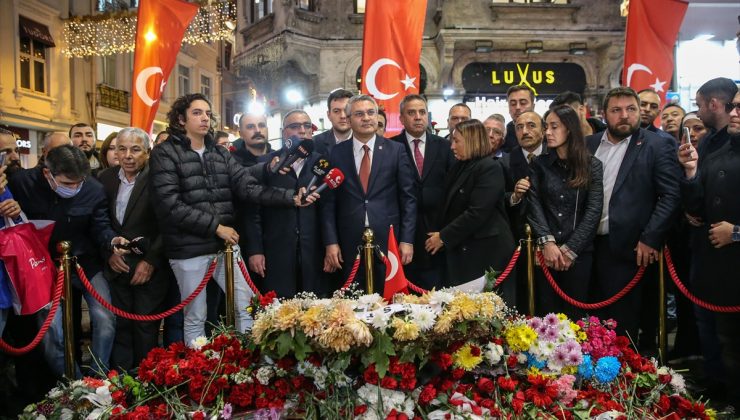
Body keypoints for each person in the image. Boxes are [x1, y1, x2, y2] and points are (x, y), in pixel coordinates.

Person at [149, 93, 314, 345]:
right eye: (197, 113)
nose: (204, 118)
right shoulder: (164, 153)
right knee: (196, 315)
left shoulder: (219, 152)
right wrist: (216, 227)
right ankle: (200, 373)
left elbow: (248, 187)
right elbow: (169, 205)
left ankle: (246, 362)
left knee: (246, 304)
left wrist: (290, 197)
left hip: (224, 246)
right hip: (189, 247)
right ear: (181, 119)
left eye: (207, 113)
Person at [11, 145, 129, 375]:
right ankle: (72, 385)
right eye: (66, 184)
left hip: (85, 262)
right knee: (51, 330)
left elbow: (100, 226)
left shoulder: (93, 189)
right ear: (48, 173)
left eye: (79, 183)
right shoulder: (22, 184)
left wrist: (112, 241)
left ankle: (99, 377)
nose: (74, 188)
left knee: (105, 317)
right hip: (42, 266)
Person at [585, 86, 681, 341]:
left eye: (631, 109)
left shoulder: (657, 145)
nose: (624, 115)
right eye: (616, 110)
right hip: (587, 246)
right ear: (604, 114)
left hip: (630, 248)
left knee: (622, 324)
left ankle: (622, 374)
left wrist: (651, 238)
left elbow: (670, 195)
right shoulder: (589, 144)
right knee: (591, 321)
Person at [678, 91, 740, 409]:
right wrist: (690, 172)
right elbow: (698, 206)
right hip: (710, 266)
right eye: (733, 106)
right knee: (713, 335)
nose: (733, 113)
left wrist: (737, 233)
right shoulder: (717, 151)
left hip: (735, 267)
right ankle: (719, 390)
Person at [322, 95, 416, 294]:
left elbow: (408, 198)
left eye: (370, 113)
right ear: (348, 119)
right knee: (353, 302)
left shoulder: (395, 150)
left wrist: (406, 240)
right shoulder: (336, 153)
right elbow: (328, 203)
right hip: (349, 241)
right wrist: (331, 242)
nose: (366, 118)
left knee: (389, 303)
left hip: (388, 239)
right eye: (359, 114)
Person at [98, 128, 167, 371]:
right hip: (117, 267)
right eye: (122, 149)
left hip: (150, 267)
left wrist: (150, 262)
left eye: (135, 149)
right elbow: (99, 221)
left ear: (147, 153)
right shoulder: (104, 179)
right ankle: (123, 384)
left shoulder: (159, 179)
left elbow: (167, 225)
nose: (128, 155)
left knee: (146, 327)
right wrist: (109, 253)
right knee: (121, 326)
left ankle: (148, 381)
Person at [526, 105, 603, 319]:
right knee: (546, 318)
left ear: (569, 129)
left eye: (554, 127)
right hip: (546, 255)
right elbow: (534, 205)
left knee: (575, 318)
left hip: (579, 254)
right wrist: (547, 243)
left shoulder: (592, 165)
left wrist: (570, 250)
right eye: (546, 127)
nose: (547, 132)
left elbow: (593, 210)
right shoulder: (538, 164)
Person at [425, 119, 515, 303]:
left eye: (456, 141)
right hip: (465, 249)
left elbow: (478, 212)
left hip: (487, 253)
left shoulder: (489, 167)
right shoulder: (460, 166)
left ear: (471, 140)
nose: (452, 146)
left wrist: (443, 236)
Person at [247, 110, 327, 297]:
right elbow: (253, 211)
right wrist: (255, 250)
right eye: (295, 126)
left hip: (314, 251)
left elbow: (328, 209)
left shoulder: (322, 162)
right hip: (276, 250)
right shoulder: (266, 164)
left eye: (307, 126)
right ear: (284, 132)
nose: (302, 130)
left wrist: (331, 245)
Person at [390, 94, 455, 289]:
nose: (418, 117)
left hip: (437, 233)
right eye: (411, 113)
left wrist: (445, 233)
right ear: (401, 118)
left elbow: (453, 189)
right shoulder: (390, 147)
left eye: (422, 112)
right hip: (402, 233)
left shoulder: (445, 146)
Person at [314, 89, 354, 156]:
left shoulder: (365, 142)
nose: (343, 116)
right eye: (336, 111)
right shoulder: (315, 143)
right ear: (329, 115)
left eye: (346, 110)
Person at [502, 85, 536, 152]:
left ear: (533, 106)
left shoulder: (547, 131)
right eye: (513, 104)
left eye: (523, 103)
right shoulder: (503, 135)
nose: (517, 107)